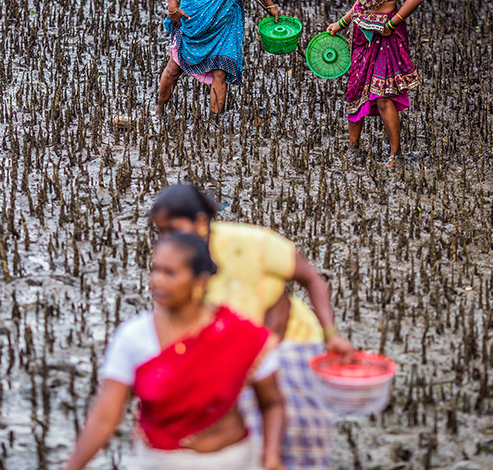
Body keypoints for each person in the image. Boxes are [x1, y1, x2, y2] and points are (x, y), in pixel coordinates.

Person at [151, 184, 354, 470]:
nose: (167, 240)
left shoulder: (251, 242)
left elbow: (311, 278)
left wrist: (331, 335)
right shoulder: (180, 270)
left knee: (298, 433)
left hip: (291, 343)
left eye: (173, 229)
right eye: (161, 233)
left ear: (200, 222)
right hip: (236, 353)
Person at [64, 233, 286, 470]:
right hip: (161, 462)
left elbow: (272, 403)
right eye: (155, 270)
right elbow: (105, 417)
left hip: (232, 460)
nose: (157, 281)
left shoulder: (239, 335)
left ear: (200, 282)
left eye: (170, 273)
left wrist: (271, 456)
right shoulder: (133, 337)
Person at [328, 0, 423, 168]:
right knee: (356, 89)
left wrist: (392, 23)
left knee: (383, 97)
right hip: (362, 35)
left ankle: (395, 154)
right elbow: (361, 2)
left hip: (386, 36)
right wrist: (342, 23)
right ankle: (353, 148)